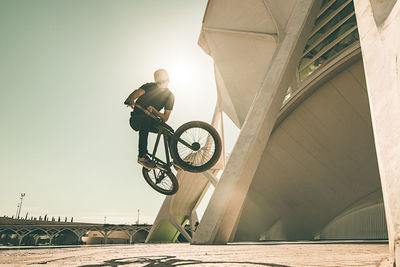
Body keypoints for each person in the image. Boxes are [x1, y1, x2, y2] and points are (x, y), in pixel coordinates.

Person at [124, 69, 175, 169]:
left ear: (167, 78)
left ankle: (176, 160)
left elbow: (165, 118)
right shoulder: (150, 86)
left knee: (170, 132)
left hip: (152, 121)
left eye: (161, 76)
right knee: (145, 120)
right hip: (137, 119)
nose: (158, 80)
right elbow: (137, 93)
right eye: (157, 78)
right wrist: (130, 99)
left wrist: (154, 111)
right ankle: (142, 156)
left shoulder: (170, 96)